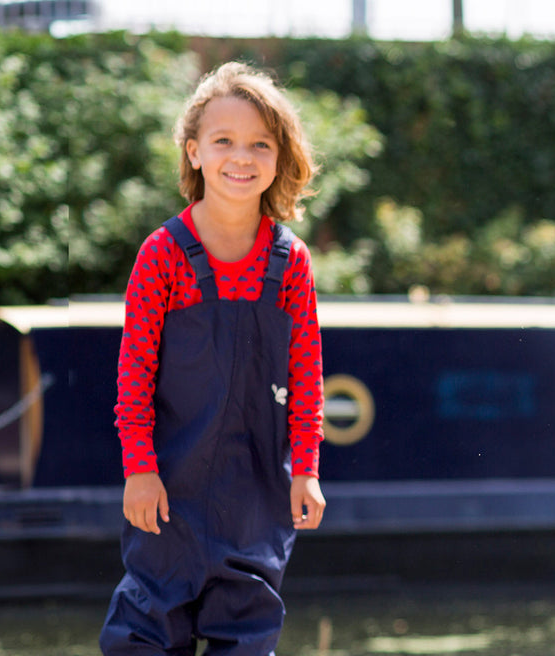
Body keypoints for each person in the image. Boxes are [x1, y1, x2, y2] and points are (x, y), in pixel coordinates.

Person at [100, 61, 326, 656]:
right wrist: (139, 469)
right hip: (166, 491)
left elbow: (306, 376)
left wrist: (306, 466)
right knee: (145, 635)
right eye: (223, 140)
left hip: (256, 502)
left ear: (279, 158)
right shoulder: (163, 254)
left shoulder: (291, 263)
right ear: (194, 152)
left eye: (260, 143)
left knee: (248, 637)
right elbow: (135, 375)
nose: (241, 156)